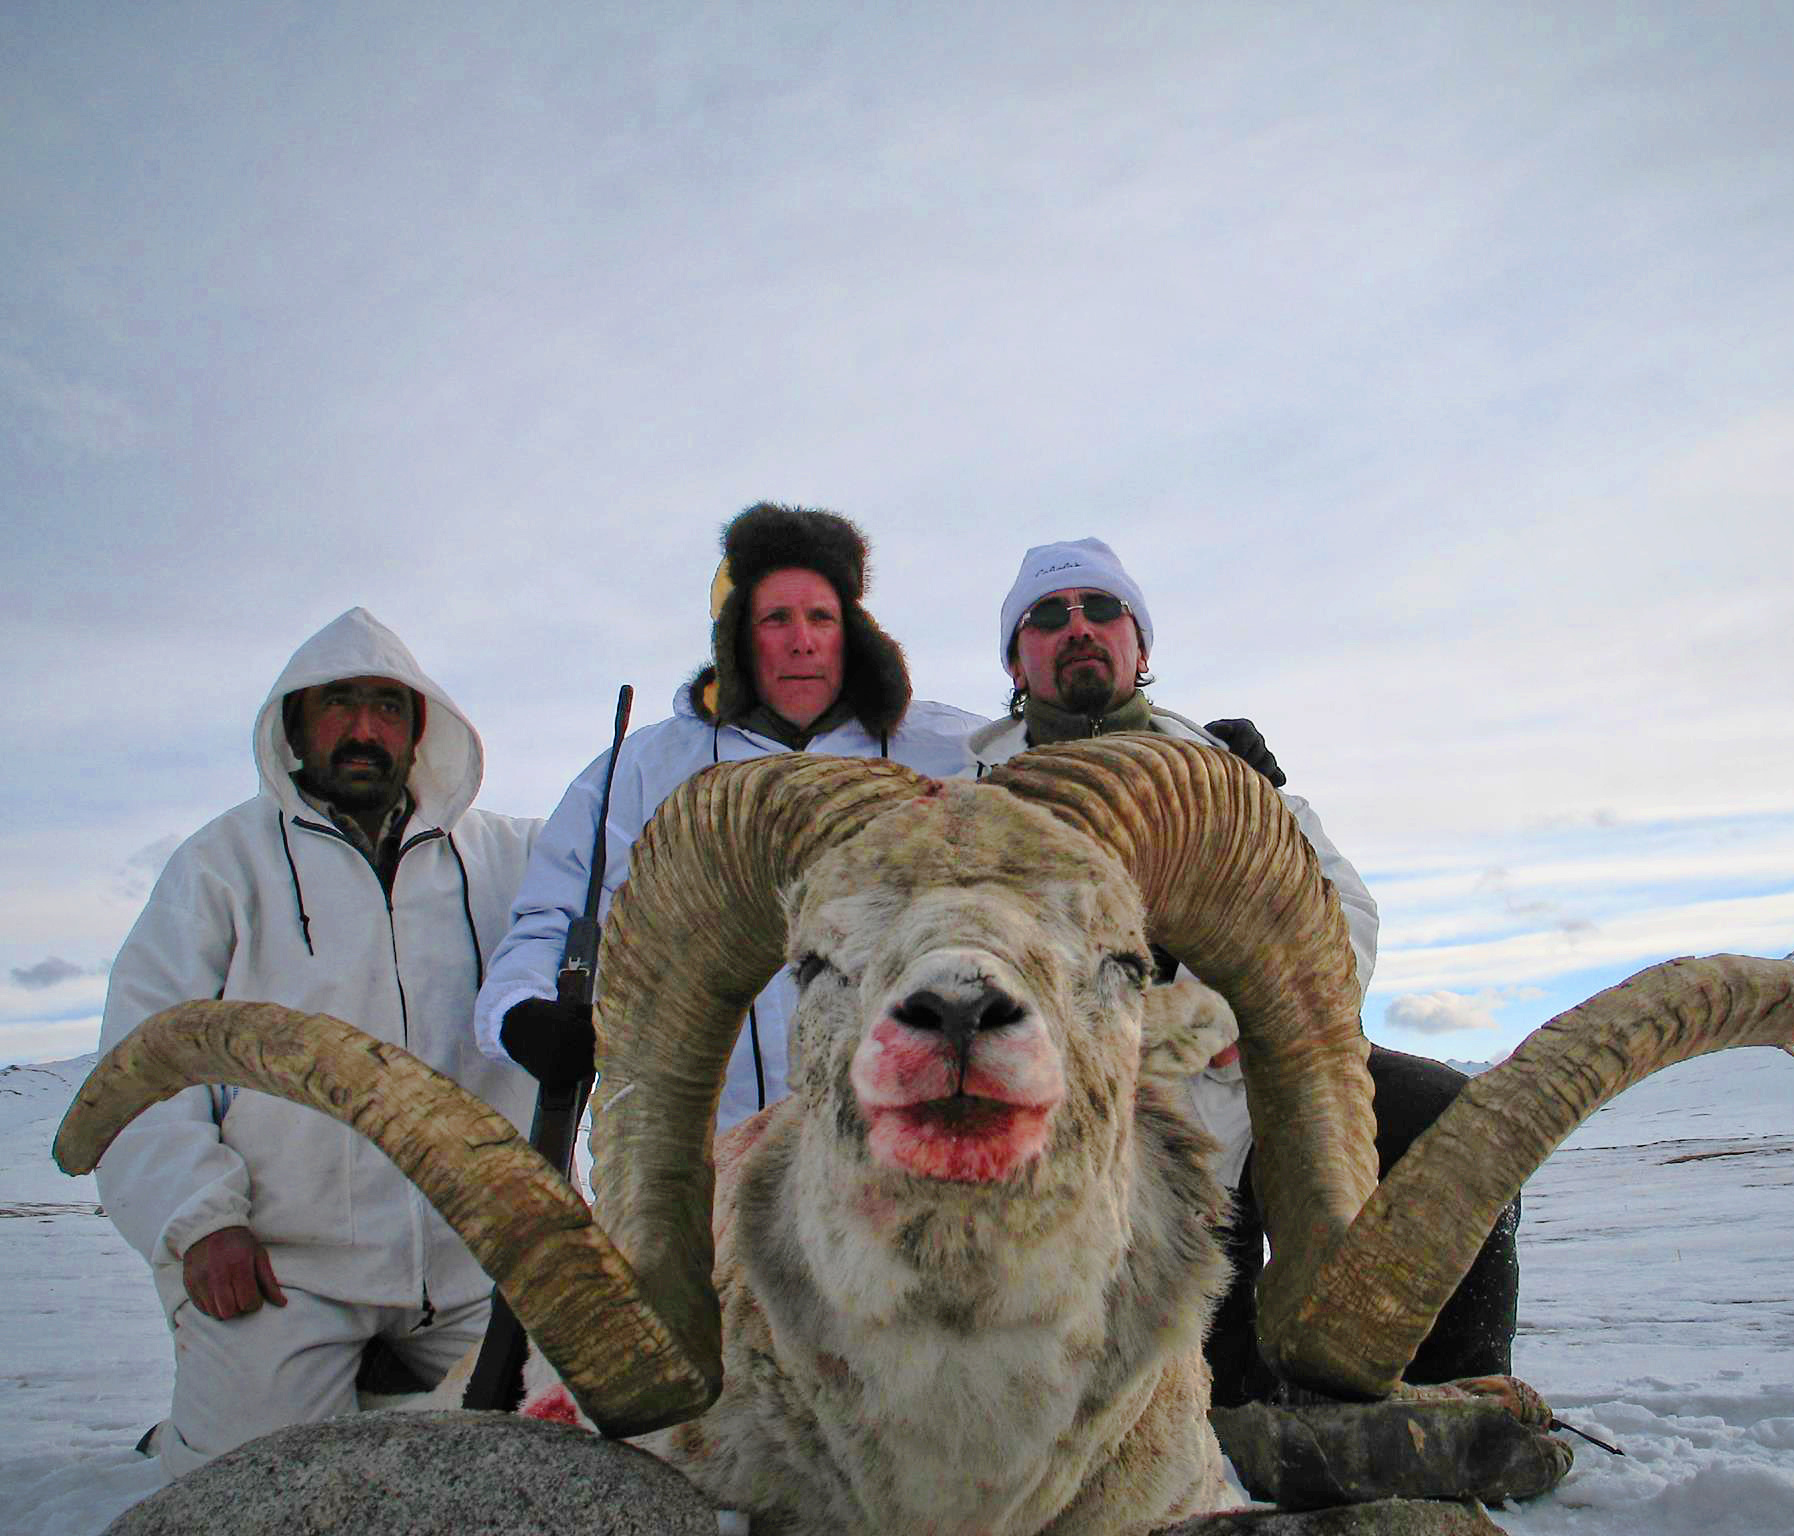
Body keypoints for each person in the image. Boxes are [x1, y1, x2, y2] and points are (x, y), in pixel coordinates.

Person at [967, 538, 1519, 1404]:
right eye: (1047, 616)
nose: (1077, 627)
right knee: (1210, 1384)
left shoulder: (1240, 779)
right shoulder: (978, 804)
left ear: (1141, 647)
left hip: (1263, 1076)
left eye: (1102, 609)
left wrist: (1239, 1016)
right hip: (1101, 1121)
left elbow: (1344, 912)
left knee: (1450, 1123)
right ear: (1015, 658)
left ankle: (1467, 1397)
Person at [95, 608, 543, 1478]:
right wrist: (202, 1224)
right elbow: (144, 1066)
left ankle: (383, 1394)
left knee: (572, 1448)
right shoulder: (219, 868)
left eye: (388, 705)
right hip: (287, 1268)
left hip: (476, 1264)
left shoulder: (513, 861)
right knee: (247, 1486)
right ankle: (196, 1431)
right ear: (294, 727)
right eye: (339, 703)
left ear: (422, 729)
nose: (365, 728)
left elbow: (632, 870)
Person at [476, 503, 985, 1129]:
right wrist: (523, 1011)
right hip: (709, 1155)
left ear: (851, 632)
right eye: (776, 618)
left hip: (916, 1142)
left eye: (821, 617)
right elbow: (554, 917)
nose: (802, 640)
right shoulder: (639, 772)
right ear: (739, 636)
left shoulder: (953, 750)